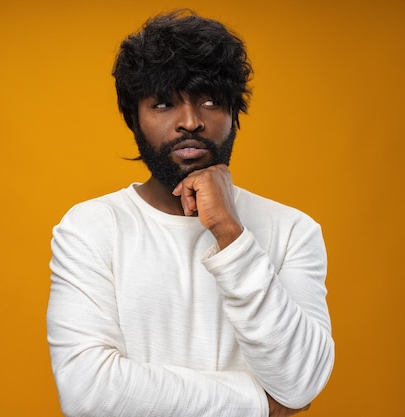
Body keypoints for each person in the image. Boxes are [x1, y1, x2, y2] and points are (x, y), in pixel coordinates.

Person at [46, 9, 334, 417]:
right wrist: (256, 404)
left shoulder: (293, 231)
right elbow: (87, 391)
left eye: (211, 101)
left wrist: (230, 234)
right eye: (164, 103)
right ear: (134, 119)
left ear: (234, 114)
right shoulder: (89, 228)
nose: (190, 122)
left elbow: (301, 382)